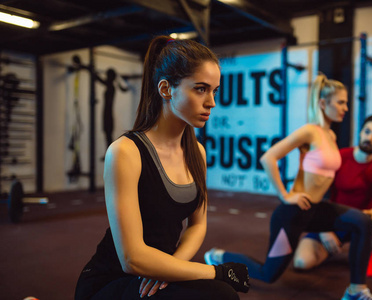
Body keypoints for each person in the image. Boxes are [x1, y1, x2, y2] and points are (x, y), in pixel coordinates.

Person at [75, 36, 250, 300]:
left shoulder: (197, 153)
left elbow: (197, 225)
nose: (211, 102)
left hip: (155, 276)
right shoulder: (126, 151)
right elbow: (132, 258)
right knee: (221, 294)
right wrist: (216, 272)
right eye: (200, 89)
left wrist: (172, 270)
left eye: (214, 91)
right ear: (166, 89)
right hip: (112, 281)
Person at [205, 74, 372, 300]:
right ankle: (218, 256)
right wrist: (285, 195)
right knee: (269, 273)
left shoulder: (331, 135)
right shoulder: (310, 131)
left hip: (315, 210)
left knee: (363, 221)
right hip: (293, 213)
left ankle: (356, 290)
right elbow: (268, 158)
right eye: (341, 102)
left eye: (346, 102)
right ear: (324, 104)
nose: (346, 107)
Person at [293, 115, 372, 278]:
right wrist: (324, 229)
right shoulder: (340, 157)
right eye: (367, 131)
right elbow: (314, 194)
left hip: (364, 221)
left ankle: (366, 250)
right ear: (361, 132)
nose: (369, 138)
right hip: (333, 220)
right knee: (301, 262)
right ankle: (334, 248)